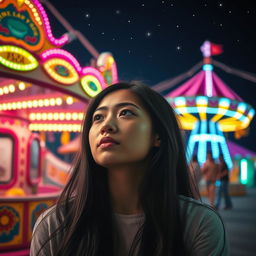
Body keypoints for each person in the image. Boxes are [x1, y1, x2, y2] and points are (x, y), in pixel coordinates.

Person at [30, 82, 228, 255]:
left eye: (125, 113)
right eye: (98, 117)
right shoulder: (54, 225)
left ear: (157, 136)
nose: (106, 125)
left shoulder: (198, 224)